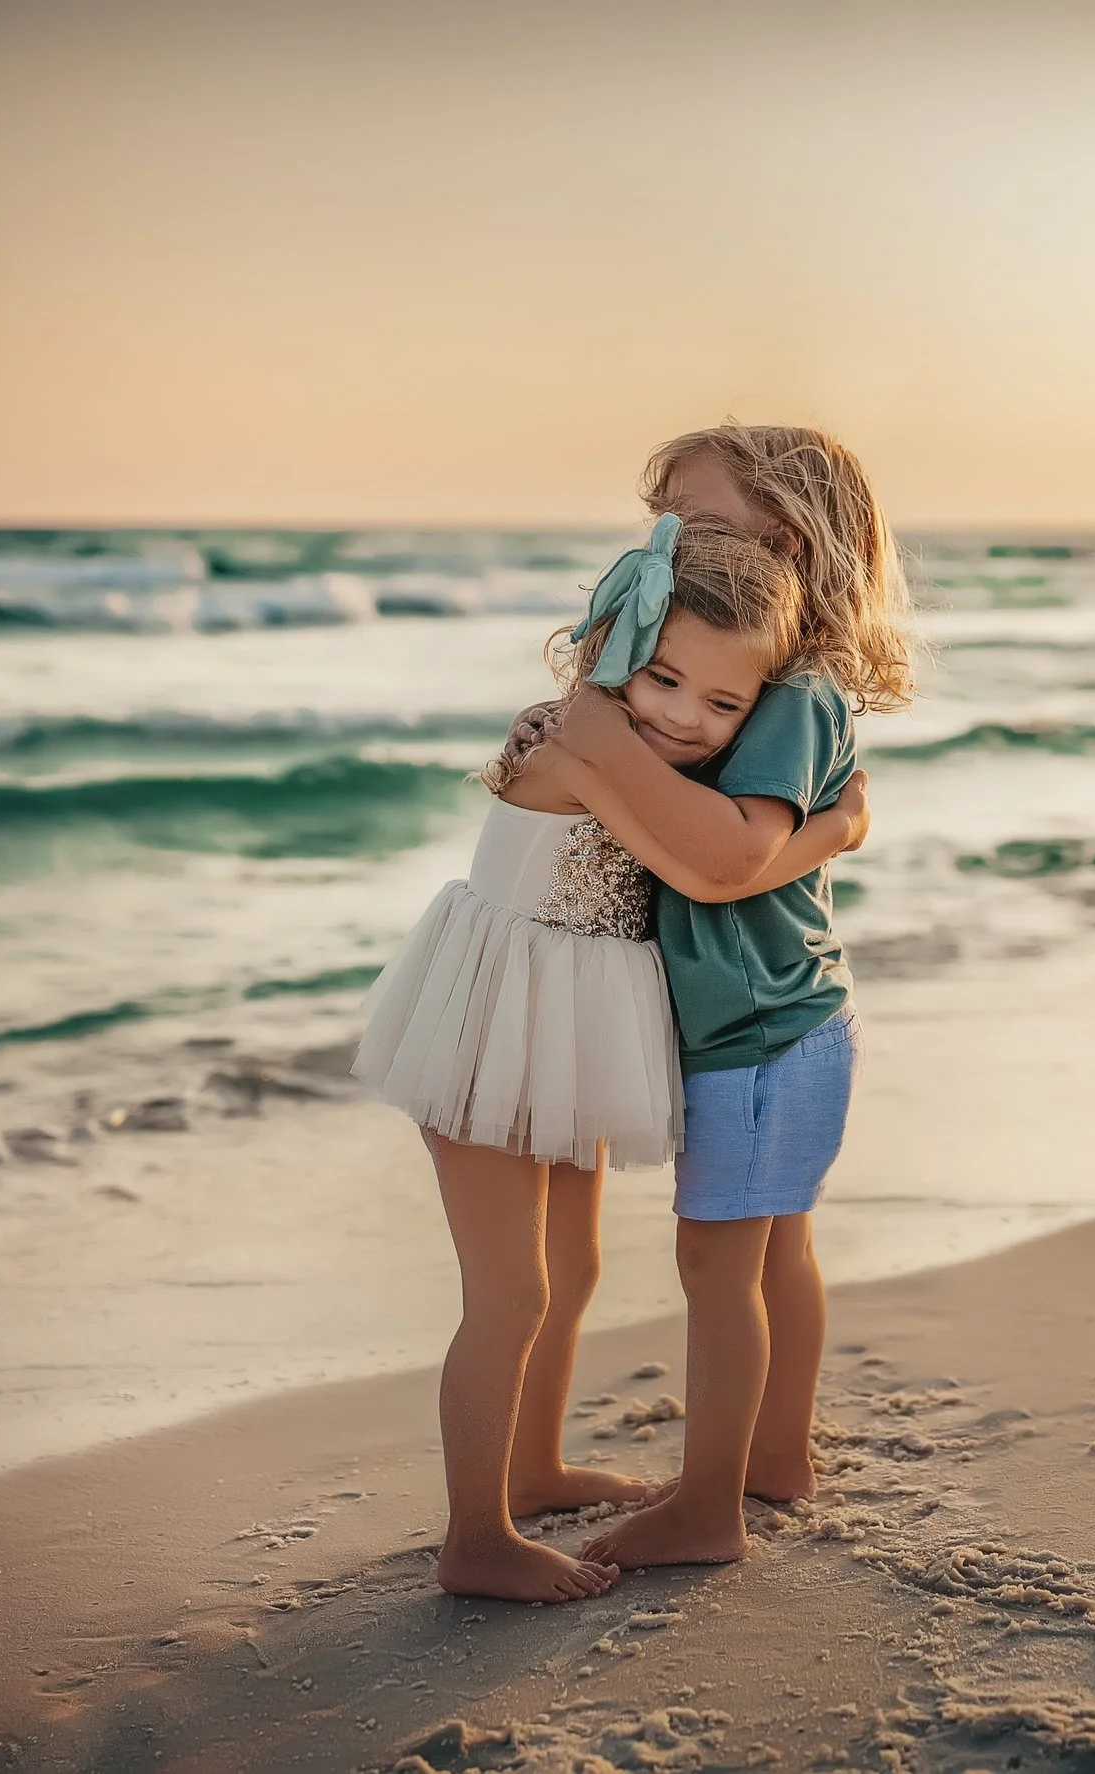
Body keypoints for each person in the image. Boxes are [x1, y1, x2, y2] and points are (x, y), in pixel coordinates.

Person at [353, 512, 869, 1603]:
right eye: (667, 682)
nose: (684, 718)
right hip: (495, 1020)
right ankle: (475, 1537)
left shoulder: (616, 733)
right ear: (623, 650)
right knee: (510, 1290)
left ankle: (534, 1467)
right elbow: (705, 872)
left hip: (569, 1018)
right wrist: (833, 831)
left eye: (722, 703)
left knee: (573, 1269)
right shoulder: (593, 742)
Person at [547, 424, 918, 1570]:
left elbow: (722, 859)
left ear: (788, 540)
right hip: (783, 1018)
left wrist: (600, 734)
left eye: (696, 529)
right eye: (663, 529)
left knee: (720, 1266)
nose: (669, 551)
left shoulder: (789, 695)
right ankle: (775, 1458)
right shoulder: (734, 677)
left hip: (759, 1031)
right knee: (771, 1255)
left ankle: (710, 1509)